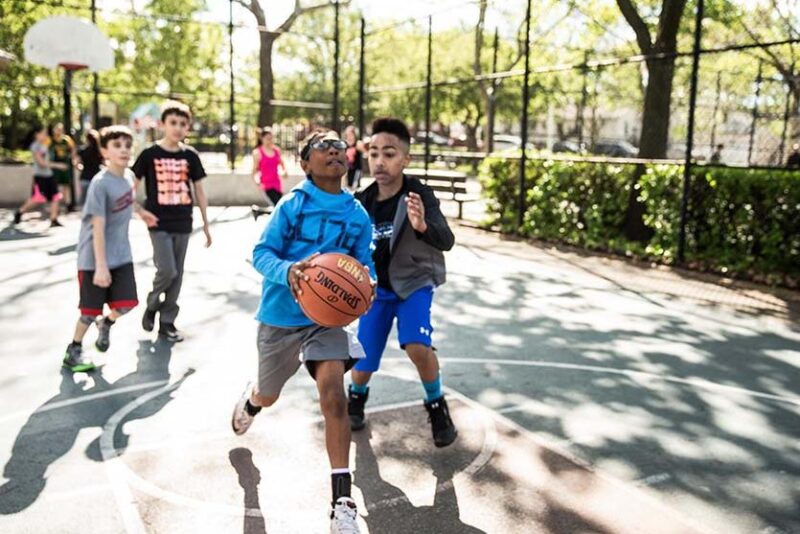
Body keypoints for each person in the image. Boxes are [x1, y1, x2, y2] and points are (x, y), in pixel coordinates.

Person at [230, 129, 376, 534]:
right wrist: (289, 271)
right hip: (280, 316)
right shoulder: (293, 206)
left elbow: (364, 266)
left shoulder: (358, 215)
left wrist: (369, 283)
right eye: (321, 147)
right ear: (305, 163)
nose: (333, 150)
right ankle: (254, 400)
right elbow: (261, 253)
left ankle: (342, 502)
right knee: (269, 393)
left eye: (338, 145)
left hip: (326, 320)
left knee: (334, 396)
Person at [347, 117, 458, 448]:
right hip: (377, 290)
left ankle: (436, 405)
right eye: (374, 153)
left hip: (413, 284)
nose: (380, 161)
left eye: (390, 154)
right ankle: (357, 396)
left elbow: (447, 239)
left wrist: (422, 224)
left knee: (416, 344)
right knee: (363, 360)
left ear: (405, 159)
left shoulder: (419, 194)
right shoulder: (362, 201)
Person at [63, 125, 158, 372]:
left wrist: (142, 212)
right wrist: (100, 267)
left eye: (127, 145)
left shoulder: (126, 178)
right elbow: (97, 227)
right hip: (94, 258)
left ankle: (106, 323)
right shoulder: (100, 184)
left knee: (127, 304)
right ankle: (73, 349)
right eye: (117, 145)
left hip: (120, 254)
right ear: (104, 151)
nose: (124, 150)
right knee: (88, 311)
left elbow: (128, 201)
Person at [132, 100, 212, 342]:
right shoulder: (149, 154)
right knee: (166, 270)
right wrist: (140, 211)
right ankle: (152, 303)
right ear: (163, 124)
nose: (177, 128)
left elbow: (199, 191)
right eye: (173, 123)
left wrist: (206, 225)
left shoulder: (191, 156)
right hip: (158, 222)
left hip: (183, 222)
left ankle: (167, 322)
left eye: (182, 124)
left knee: (177, 276)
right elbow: (130, 188)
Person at [13, 125, 65, 227]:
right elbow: (41, 163)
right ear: (37, 134)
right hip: (40, 176)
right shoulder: (35, 146)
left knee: (56, 196)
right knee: (38, 198)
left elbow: (46, 160)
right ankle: (20, 212)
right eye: (44, 133)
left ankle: (53, 219)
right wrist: (58, 165)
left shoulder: (45, 145)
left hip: (49, 175)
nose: (46, 135)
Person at [250, 127, 289, 220]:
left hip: (277, 184)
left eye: (271, 138)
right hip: (266, 184)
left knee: (279, 209)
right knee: (280, 208)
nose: (269, 141)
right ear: (262, 138)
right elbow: (254, 172)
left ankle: (259, 211)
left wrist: (284, 172)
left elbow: (282, 166)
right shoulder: (257, 153)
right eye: (267, 138)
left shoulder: (276, 151)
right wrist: (257, 182)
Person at [50, 122, 78, 210]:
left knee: (66, 184)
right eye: (57, 129)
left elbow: (73, 149)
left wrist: (73, 158)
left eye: (60, 129)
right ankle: (56, 203)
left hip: (65, 164)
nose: (58, 131)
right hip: (55, 165)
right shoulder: (50, 140)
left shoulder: (66, 139)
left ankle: (66, 203)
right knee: (55, 185)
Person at [77, 129, 102, 205]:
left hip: (84, 177)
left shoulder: (82, 150)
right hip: (97, 179)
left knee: (84, 203)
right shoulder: (100, 152)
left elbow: (76, 163)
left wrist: (81, 168)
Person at [343, 125, 364, 191]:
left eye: (351, 134)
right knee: (347, 186)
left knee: (355, 187)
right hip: (347, 169)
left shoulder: (358, 144)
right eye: (348, 134)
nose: (349, 136)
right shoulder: (345, 144)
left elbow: (365, 152)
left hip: (356, 168)